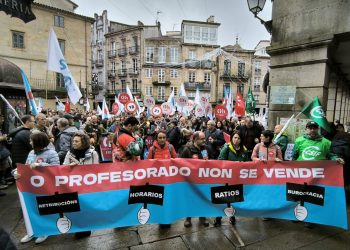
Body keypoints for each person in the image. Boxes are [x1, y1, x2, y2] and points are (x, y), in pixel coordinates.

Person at [293, 121, 344, 228]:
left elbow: (331, 155)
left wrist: (336, 159)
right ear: (306, 129)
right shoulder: (298, 141)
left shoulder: (326, 142)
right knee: (299, 194)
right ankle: (298, 215)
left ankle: (311, 218)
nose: (312, 130)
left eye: (314, 128)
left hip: (317, 176)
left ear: (318, 129)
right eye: (310, 128)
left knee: (313, 196)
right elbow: (293, 156)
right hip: (300, 174)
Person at [18, 132, 60, 244]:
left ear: (37, 141)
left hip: (46, 187)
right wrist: (17, 172)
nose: (29, 142)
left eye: (31, 140)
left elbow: (57, 169)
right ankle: (31, 231)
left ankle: (44, 231)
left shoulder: (52, 153)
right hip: (31, 187)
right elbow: (26, 166)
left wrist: (40, 165)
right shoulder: (31, 152)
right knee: (31, 209)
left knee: (44, 209)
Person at [63, 131, 99, 238]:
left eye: (76, 141)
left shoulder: (93, 153)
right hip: (74, 186)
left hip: (88, 186)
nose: (74, 143)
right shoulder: (69, 153)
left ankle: (86, 228)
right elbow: (63, 168)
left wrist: (80, 166)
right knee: (77, 207)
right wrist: (70, 167)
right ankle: (80, 228)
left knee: (86, 208)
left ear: (83, 142)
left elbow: (96, 169)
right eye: (73, 141)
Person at [215, 131, 249, 226]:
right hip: (226, 178)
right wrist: (233, 165)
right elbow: (220, 161)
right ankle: (218, 218)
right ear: (231, 138)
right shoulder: (226, 148)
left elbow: (247, 163)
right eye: (235, 138)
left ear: (241, 140)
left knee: (233, 200)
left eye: (238, 138)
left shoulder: (244, 150)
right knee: (223, 198)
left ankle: (232, 216)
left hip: (237, 179)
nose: (236, 140)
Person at [180, 131, 211, 228]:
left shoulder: (204, 148)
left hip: (202, 179)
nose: (204, 140)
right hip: (190, 180)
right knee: (190, 198)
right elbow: (180, 163)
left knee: (202, 197)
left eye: (204, 138)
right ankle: (188, 218)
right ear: (195, 139)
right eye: (202, 139)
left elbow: (207, 161)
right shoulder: (187, 150)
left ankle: (202, 216)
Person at [147, 130, 177, 228]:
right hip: (157, 180)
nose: (162, 139)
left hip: (169, 180)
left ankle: (168, 219)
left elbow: (176, 161)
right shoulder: (152, 149)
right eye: (160, 138)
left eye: (164, 137)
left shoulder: (170, 147)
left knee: (168, 200)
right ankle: (161, 219)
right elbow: (148, 163)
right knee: (159, 200)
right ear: (157, 139)